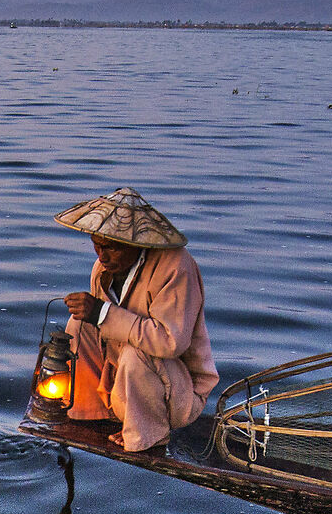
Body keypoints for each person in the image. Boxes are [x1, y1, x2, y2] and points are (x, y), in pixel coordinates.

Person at [54, 186, 218, 454]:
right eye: (97, 246)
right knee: (78, 326)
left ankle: (148, 434)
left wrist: (102, 313)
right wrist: (94, 316)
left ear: (136, 243)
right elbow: (100, 329)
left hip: (177, 398)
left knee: (134, 354)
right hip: (119, 386)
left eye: (112, 248)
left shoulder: (177, 267)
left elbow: (170, 342)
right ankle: (91, 413)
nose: (102, 257)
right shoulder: (102, 269)